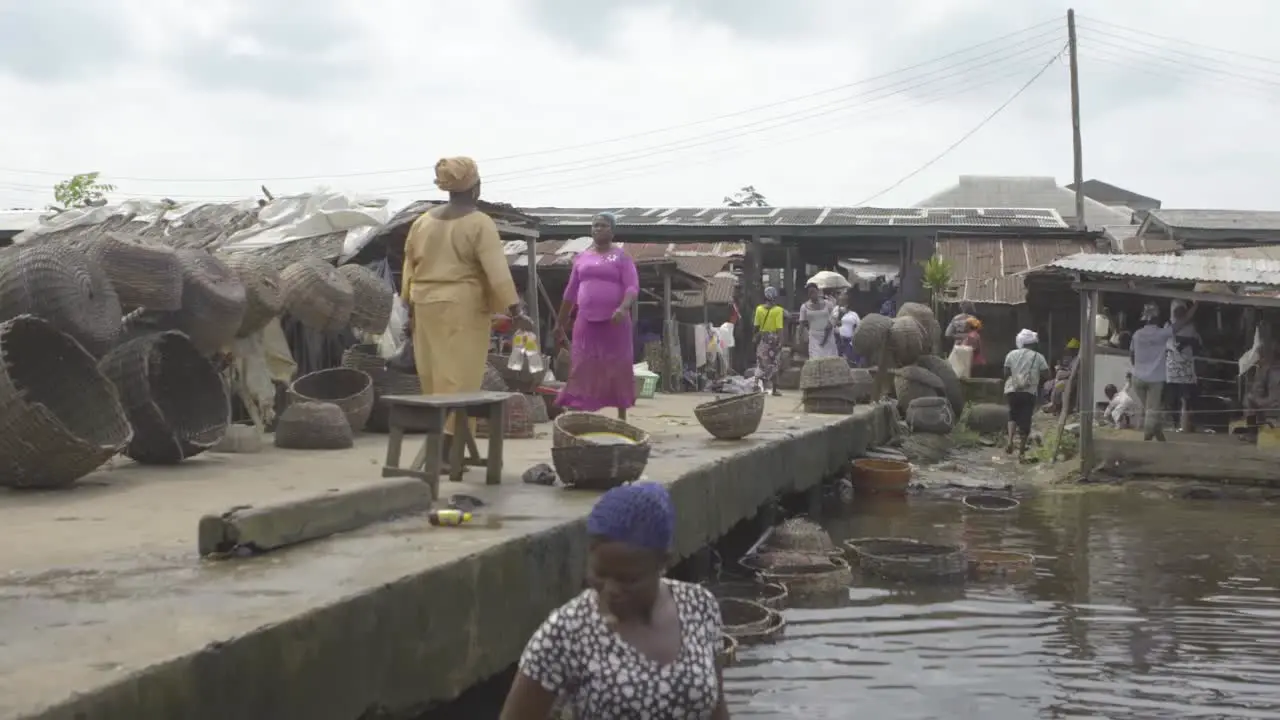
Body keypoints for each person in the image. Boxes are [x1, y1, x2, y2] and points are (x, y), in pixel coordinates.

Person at [499, 483, 729, 720]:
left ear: (663, 562)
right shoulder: (567, 631)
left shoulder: (700, 606)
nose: (611, 590)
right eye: (600, 574)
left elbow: (717, 711)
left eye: (628, 579)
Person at [402, 156, 530, 465]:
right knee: (461, 381)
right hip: (463, 308)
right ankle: (447, 451)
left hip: (425, 304)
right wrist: (515, 310)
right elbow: (497, 270)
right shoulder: (479, 222)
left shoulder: (422, 222)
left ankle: (447, 444)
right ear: (475, 188)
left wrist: (409, 308)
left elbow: (408, 267)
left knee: (433, 377)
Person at [555, 212, 640, 421]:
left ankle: (622, 418)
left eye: (602, 226)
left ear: (612, 230)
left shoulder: (622, 257)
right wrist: (560, 322)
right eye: (594, 226)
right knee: (582, 365)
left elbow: (632, 286)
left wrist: (623, 308)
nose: (597, 229)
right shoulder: (581, 258)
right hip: (585, 321)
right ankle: (580, 414)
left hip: (615, 322)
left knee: (617, 366)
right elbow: (570, 292)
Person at [1130, 301, 1197, 441]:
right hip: (1155, 380)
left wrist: (1137, 368)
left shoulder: (1136, 335)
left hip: (1137, 378)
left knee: (1151, 410)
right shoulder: (1162, 333)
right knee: (1152, 410)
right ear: (1157, 318)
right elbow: (1182, 322)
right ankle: (1148, 437)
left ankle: (1158, 434)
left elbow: (1131, 354)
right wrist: (1196, 305)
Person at [1003, 328, 1050, 457]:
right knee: (1025, 418)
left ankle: (1010, 441)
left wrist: (1016, 374)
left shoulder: (1011, 354)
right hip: (1029, 391)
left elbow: (1006, 372)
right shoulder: (1038, 356)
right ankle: (1022, 451)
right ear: (1033, 343)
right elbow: (1047, 373)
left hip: (1012, 390)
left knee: (1012, 415)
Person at [1165, 301, 1201, 433]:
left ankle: (1185, 425)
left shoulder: (1191, 327)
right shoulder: (1168, 326)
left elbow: (1197, 345)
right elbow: (1165, 343)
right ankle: (1175, 424)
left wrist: (1188, 342)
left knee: (1186, 399)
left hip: (1186, 370)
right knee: (1173, 399)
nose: (1179, 313)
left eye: (1182, 311)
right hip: (1173, 370)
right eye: (1177, 311)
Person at [753, 286, 785, 395]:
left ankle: (756, 385)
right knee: (774, 363)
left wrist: (755, 337)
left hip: (763, 338)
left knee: (761, 362)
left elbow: (756, 326)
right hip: (774, 339)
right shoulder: (778, 310)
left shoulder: (759, 309)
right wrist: (781, 341)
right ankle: (774, 390)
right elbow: (779, 328)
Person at [799, 283, 838, 359]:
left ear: (817, 291)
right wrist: (800, 337)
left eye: (813, 291)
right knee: (815, 359)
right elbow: (802, 323)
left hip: (828, 336)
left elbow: (833, 318)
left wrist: (831, 325)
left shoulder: (828, 304)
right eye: (810, 292)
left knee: (830, 360)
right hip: (814, 337)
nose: (812, 294)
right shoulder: (804, 307)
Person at [1043, 339, 1080, 414]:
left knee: (1059, 386)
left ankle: (1056, 405)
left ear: (1076, 350)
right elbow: (1069, 368)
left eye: (1071, 350)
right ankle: (1052, 402)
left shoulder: (1078, 359)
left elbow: (1076, 372)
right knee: (1048, 384)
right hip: (1067, 377)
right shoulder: (1072, 358)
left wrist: (1062, 373)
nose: (1069, 351)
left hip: (1073, 380)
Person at [834, 289, 860, 366]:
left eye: (845, 296)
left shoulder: (854, 315)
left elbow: (859, 327)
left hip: (849, 341)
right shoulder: (835, 311)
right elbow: (831, 323)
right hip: (838, 340)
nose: (842, 297)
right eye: (841, 296)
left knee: (849, 363)